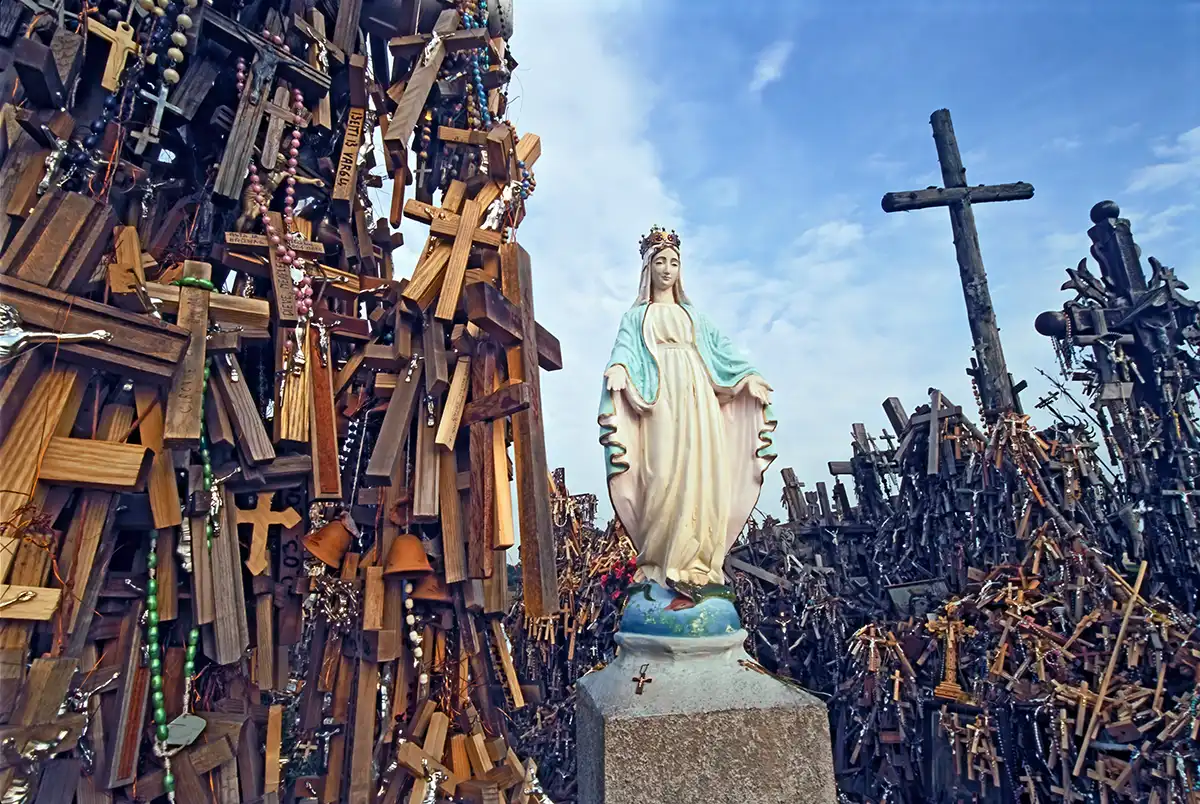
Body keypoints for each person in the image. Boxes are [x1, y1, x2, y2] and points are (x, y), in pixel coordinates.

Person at [598, 226, 777, 593]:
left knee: (701, 472)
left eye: (674, 263)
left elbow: (723, 351)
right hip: (659, 396)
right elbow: (625, 348)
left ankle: (697, 565)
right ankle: (660, 561)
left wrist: (748, 377)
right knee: (662, 471)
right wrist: (619, 368)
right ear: (648, 268)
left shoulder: (695, 317)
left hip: (698, 397)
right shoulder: (637, 317)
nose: (667, 269)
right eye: (660, 262)